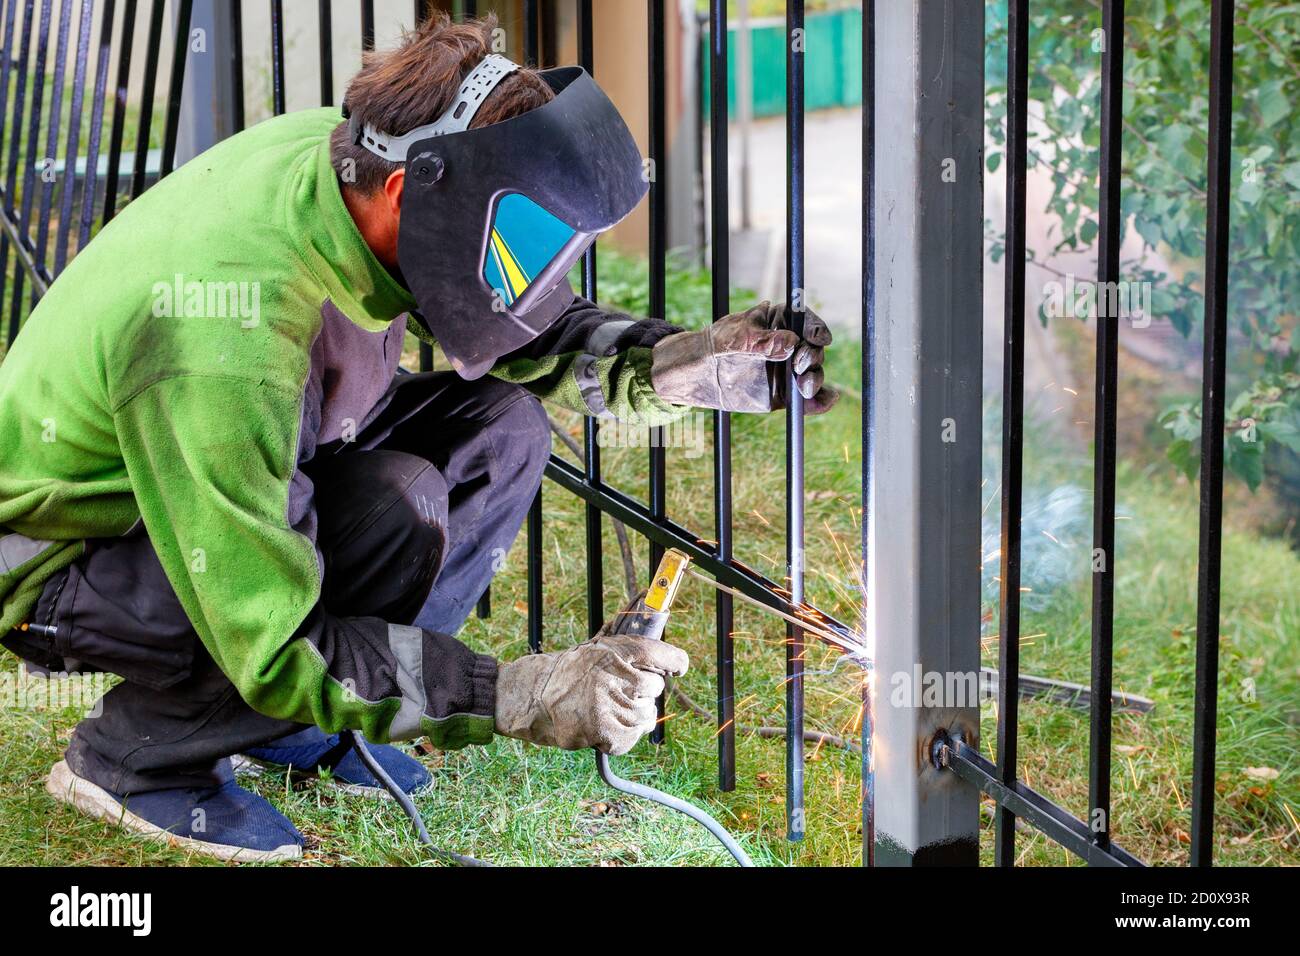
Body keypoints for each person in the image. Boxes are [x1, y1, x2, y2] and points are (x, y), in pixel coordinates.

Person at [0, 13, 834, 862]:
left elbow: (502, 309)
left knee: (501, 430)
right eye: (520, 238)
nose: (539, 268)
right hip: (76, 558)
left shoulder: (350, 165)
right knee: (395, 510)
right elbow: (275, 636)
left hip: (220, 459)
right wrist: (512, 693)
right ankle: (136, 758)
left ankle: (295, 726)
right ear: (409, 195)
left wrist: (668, 365)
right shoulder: (233, 333)